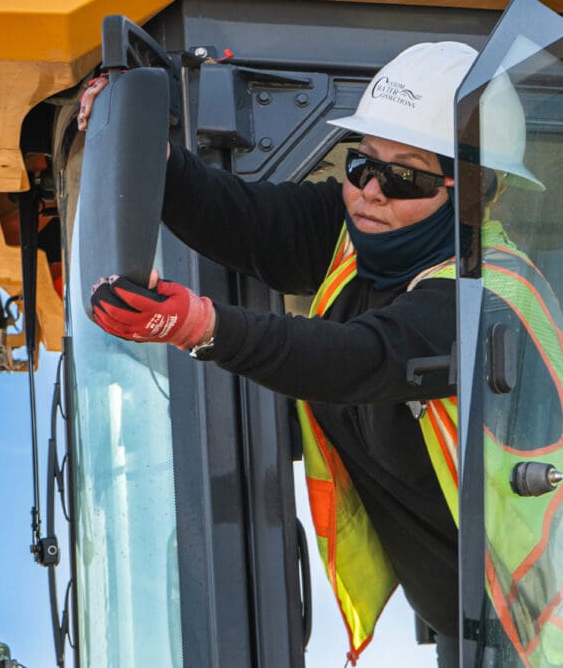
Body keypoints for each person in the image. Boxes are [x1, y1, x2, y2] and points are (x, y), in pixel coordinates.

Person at [83, 41, 478, 666]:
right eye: (361, 164)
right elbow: (242, 218)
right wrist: (143, 152)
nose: (370, 192)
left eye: (404, 175)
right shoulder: (355, 235)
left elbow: (359, 359)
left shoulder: (483, 298)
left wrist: (201, 325)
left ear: (467, 192)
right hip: (474, 624)